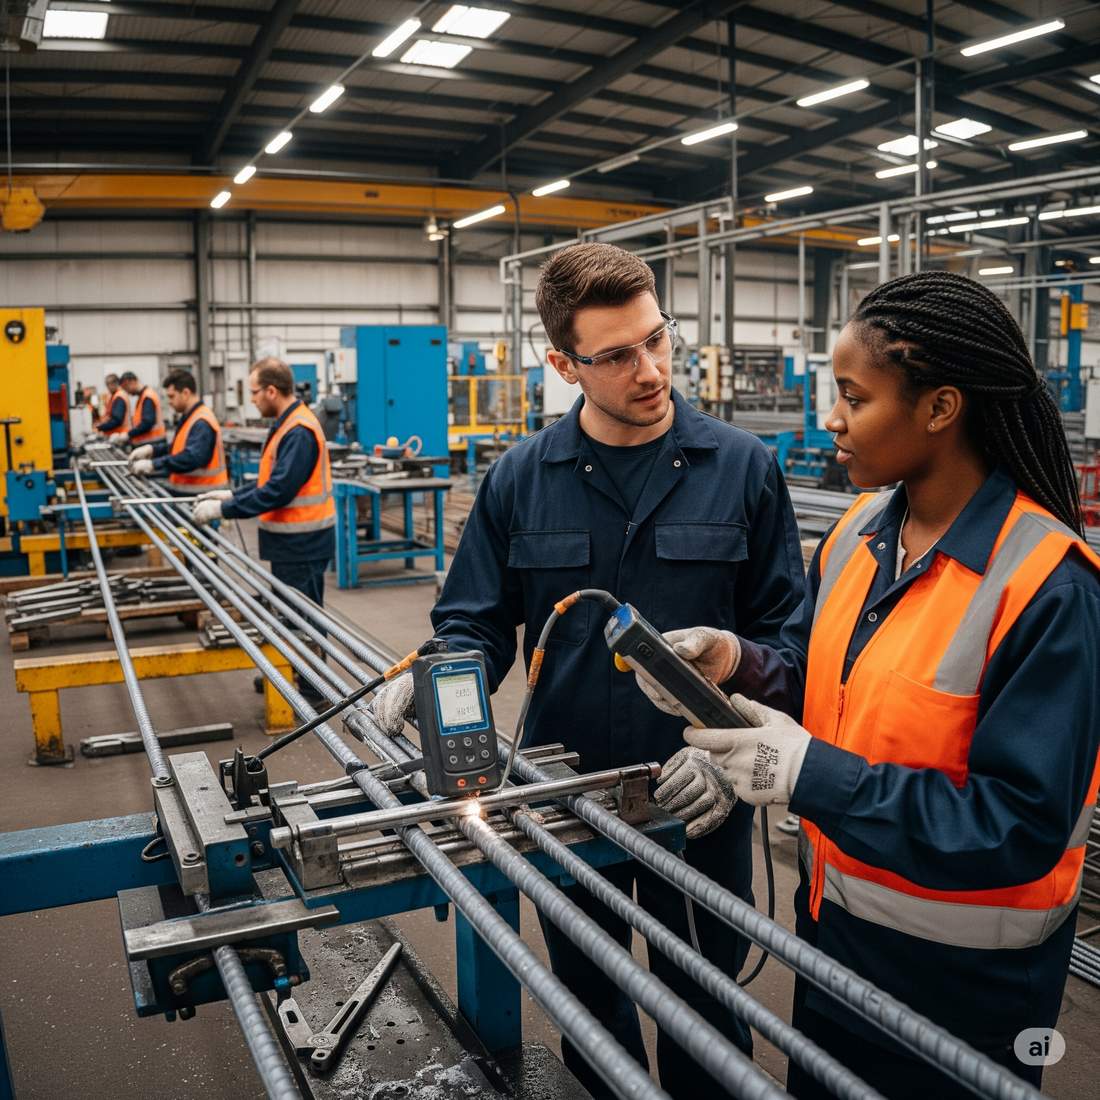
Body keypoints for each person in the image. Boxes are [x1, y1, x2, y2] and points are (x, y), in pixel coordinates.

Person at [643, 272, 1100, 1098]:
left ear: (939, 408)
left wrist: (805, 774)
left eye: (854, 397)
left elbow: (1020, 825)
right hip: (833, 933)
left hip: (970, 985)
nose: (831, 419)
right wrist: (733, 663)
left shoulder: (1049, 587)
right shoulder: (856, 535)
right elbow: (832, 689)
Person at [369, 242, 804, 1099]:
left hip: (700, 807)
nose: (651, 370)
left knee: (706, 1026)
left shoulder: (745, 471)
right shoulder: (523, 480)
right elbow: (475, 622)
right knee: (590, 1018)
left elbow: (791, 647)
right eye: (617, 355)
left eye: (657, 338)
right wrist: (437, 678)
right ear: (564, 364)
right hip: (565, 805)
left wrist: (733, 737)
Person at [191, 357, 334, 609]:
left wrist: (223, 509)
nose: (252, 399)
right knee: (293, 619)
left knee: (302, 625)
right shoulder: (287, 425)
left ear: (271, 391)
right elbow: (270, 481)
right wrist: (231, 496)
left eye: (254, 392)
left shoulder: (298, 431)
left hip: (301, 546)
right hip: (292, 545)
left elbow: (278, 491)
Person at [127, 369, 228, 495]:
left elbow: (191, 458)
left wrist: (153, 464)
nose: (169, 402)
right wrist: (152, 450)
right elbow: (178, 448)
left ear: (185, 393)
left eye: (171, 396)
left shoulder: (202, 421)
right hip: (189, 494)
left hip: (203, 495)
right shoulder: (190, 416)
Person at [110, 371, 166, 447]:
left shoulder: (147, 397)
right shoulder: (143, 396)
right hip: (150, 443)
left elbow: (147, 423)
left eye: (126, 388)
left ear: (131, 382)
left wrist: (128, 434)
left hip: (153, 443)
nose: (127, 392)